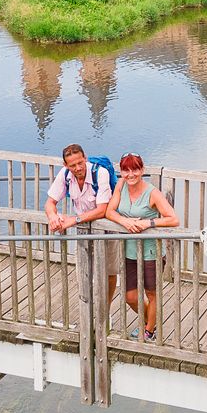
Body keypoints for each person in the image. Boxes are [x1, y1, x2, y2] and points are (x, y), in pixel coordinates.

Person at [105, 153, 179, 342]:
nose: (130, 174)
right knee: (130, 296)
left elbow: (173, 219)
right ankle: (150, 321)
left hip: (150, 252)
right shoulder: (121, 186)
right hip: (129, 251)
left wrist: (149, 223)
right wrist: (124, 221)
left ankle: (149, 331)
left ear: (142, 170)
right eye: (126, 170)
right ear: (121, 171)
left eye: (135, 169)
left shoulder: (152, 193)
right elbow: (109, 211)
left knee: (151, 293)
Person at [45, 143, 122, 304]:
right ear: (65, 165)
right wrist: (53, 216)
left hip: (107, 229)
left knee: (109, 272)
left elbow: (102, 209)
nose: (78, 168)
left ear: (85, 158)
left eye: (80, 163)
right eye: (73, 165)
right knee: (83, 270)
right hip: (84, 231)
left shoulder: (99, 173)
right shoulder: (65, 174)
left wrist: (74, 220)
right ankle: (88, 309)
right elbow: (50, 202)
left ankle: (105, 311)